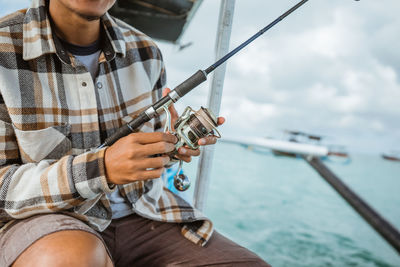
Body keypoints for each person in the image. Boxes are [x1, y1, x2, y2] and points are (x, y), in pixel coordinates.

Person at [0, 0, 270, 266]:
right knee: (72, 257)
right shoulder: (4, 46)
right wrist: (101, 168)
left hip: (147, 213)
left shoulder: (147, 51)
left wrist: (171, 148)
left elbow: (145, 157)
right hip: (43, 221)